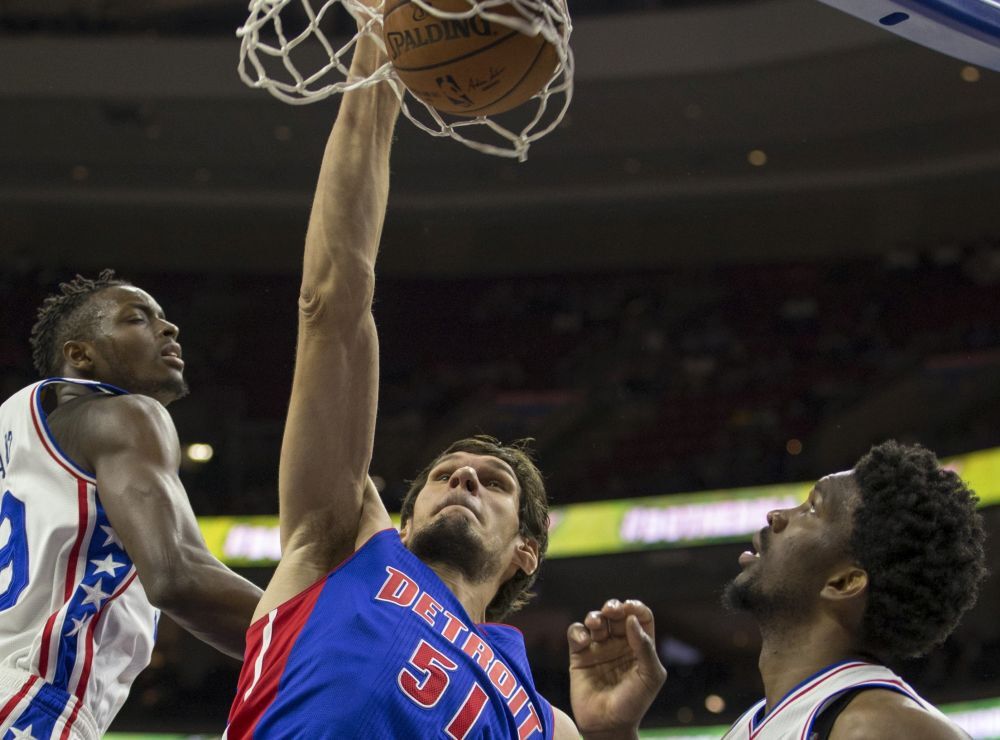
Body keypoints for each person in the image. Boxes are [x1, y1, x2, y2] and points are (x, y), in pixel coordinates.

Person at [223, 19, 666, 740]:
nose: (463, 478)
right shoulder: (339, 549)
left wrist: (611, 734)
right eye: (444, 474)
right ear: (403, 521)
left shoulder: (540, 718)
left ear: (527, 550)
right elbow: (332, 304)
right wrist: (379, 51)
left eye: (494, 483)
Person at [0, 271, 264, 740]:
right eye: (137, 319)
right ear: (80, 354)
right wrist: (321, 635)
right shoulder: (126, 412)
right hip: (31, 702)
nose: (169, 328)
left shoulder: (16, 431)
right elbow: (178, 577)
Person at [721, 440, 987, 739]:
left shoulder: (878, 726)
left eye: (813, 508)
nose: (776, 515)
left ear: (844, 583)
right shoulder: (750, 725)